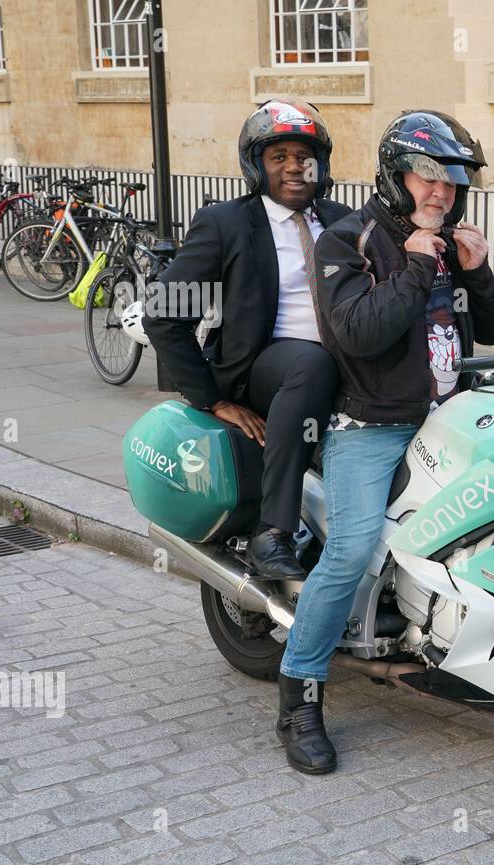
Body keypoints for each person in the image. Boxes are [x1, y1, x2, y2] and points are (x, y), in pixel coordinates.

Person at [275, 110, 494, 774]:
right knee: (349, 551)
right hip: (369, 427)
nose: (441, 193)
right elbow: (358, 333)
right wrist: (412, 267)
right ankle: (300, 697)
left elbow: (490, 328)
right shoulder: (348, 241)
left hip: (452, 420)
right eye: (428, 179)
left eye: (452, 183)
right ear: (393, 174)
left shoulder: (444, 241)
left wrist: (476, 271)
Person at [143, 99, 352, 579]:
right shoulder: (227, 223)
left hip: (347, 363)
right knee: (311, 364)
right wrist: (212, 399)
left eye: (304, 156)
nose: (295, 168)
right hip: (265, 367)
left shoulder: (344, 220)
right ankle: (271, 532)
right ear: (256, 166)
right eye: (279, 157)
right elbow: (164, 315)